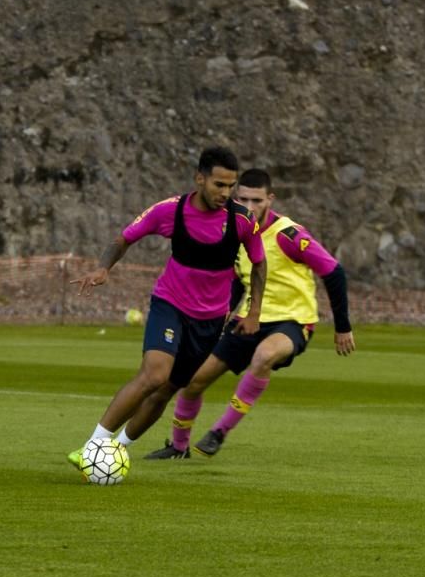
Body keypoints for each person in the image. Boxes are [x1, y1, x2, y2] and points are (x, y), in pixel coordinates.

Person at [67, 147, 266, 468]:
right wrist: (104, 268)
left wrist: (255, 311)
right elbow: (123, 239)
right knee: (154, 375)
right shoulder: (169, 211)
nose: (226, 193)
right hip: (170, 305)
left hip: (211, 321)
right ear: (199, 179)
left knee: (166, 391)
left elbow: (259, 264)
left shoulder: (242, 220)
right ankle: (93, 446)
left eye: (231, 186)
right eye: (219, 184)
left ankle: (115, 451)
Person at [142, 167, 355, 459]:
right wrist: (222, 315)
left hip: (291, 321)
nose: (250, 207)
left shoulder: (288, 235)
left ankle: (219, 432)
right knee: (193, 380)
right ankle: (179, 448)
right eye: (244, 199)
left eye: (257, 201)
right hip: (248, 319)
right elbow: (239, 280)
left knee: (264, 356)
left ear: (270, 199)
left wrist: (342, 327)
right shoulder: (235, 227)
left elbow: (334, 271)